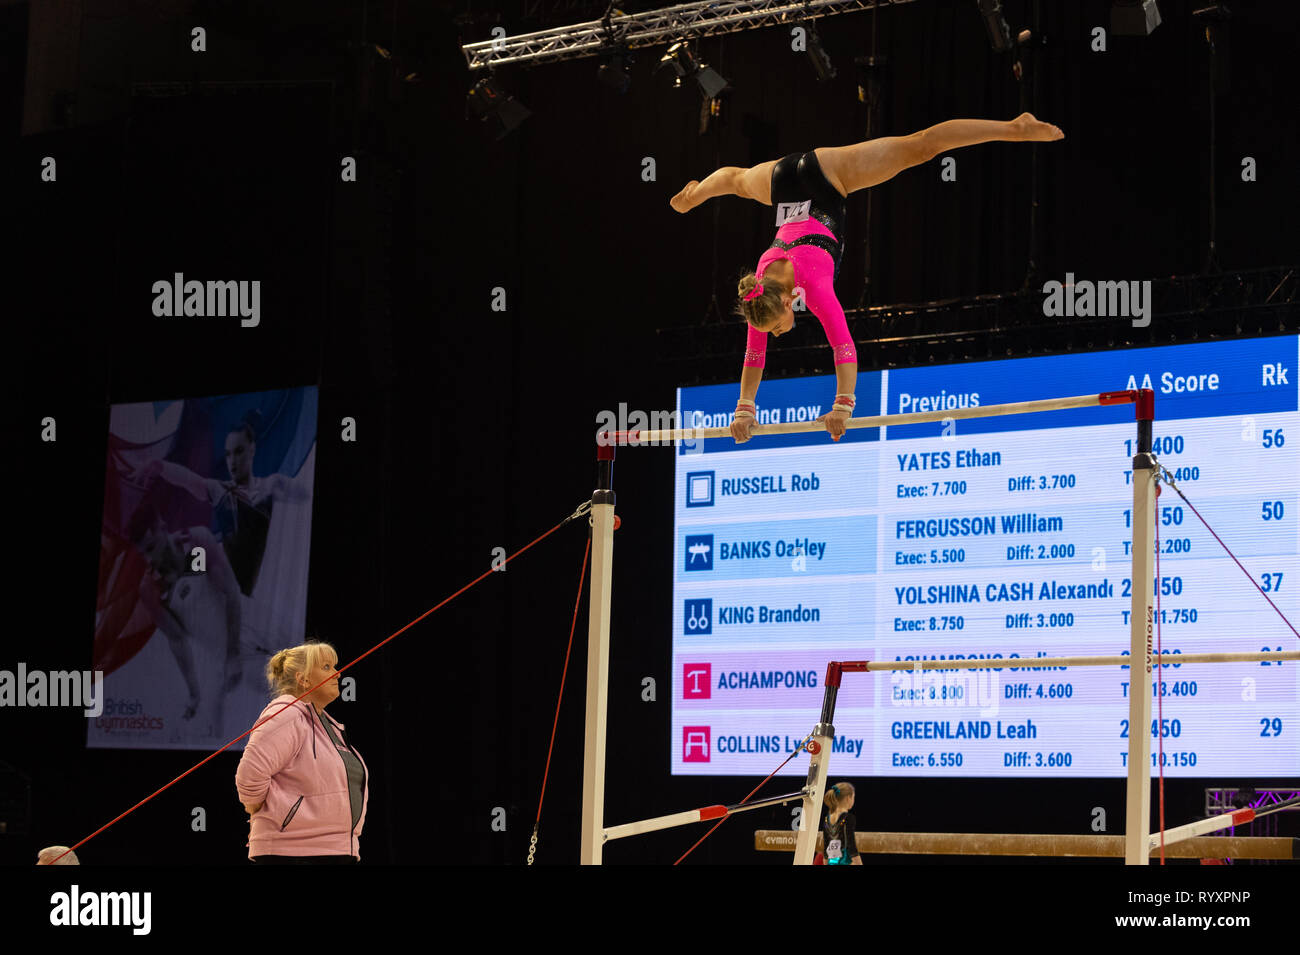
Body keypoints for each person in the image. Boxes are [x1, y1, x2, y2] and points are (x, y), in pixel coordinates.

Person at [669, 113, 1064, 444]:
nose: (774, 334)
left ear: (789, 301)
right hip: (782, 182)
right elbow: (754, 354)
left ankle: (1015, 127)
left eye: (775, 327)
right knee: (736, 181)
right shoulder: (760, 292)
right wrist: (744, 408)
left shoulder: (815, 288)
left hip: (826, 179)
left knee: (920, 147)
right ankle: (694, 195)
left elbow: (843, 344)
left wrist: (844, 403)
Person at [234, 641, 369, 863]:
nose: (338, 674)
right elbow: (249, 778)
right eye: (326, 667)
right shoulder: (287, 714)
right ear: (303, 679)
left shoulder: (328, 725)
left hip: (333, 851)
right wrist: (267, 813)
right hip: (294, 853)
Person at [821, 782, 862, 866]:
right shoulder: (848, 818)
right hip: (845, 861)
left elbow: (826, 847)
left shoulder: (827, 818)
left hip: (831, 862)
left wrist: (825, 863)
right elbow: (851, 846)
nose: (853, 800)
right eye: (853, 797)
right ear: (848, 798)